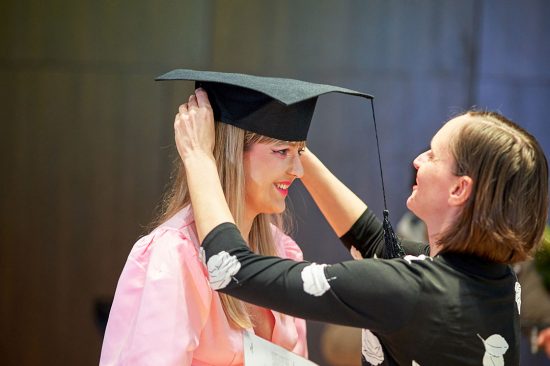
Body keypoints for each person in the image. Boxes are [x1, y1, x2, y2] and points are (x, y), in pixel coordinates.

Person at [174, 88, 549, 366]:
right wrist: (295, 149)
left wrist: (198, 156)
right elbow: (372, 239)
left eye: (433, 155)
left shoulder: (409, 291)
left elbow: (231, 268)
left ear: (458, 189)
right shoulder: (495, 280)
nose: (418, 160)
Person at [100, 69, 373, 365]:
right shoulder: (174, 254)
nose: (298, 171)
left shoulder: (284, 252)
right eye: (282, 151)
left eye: (300, 152)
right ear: (230, 152)